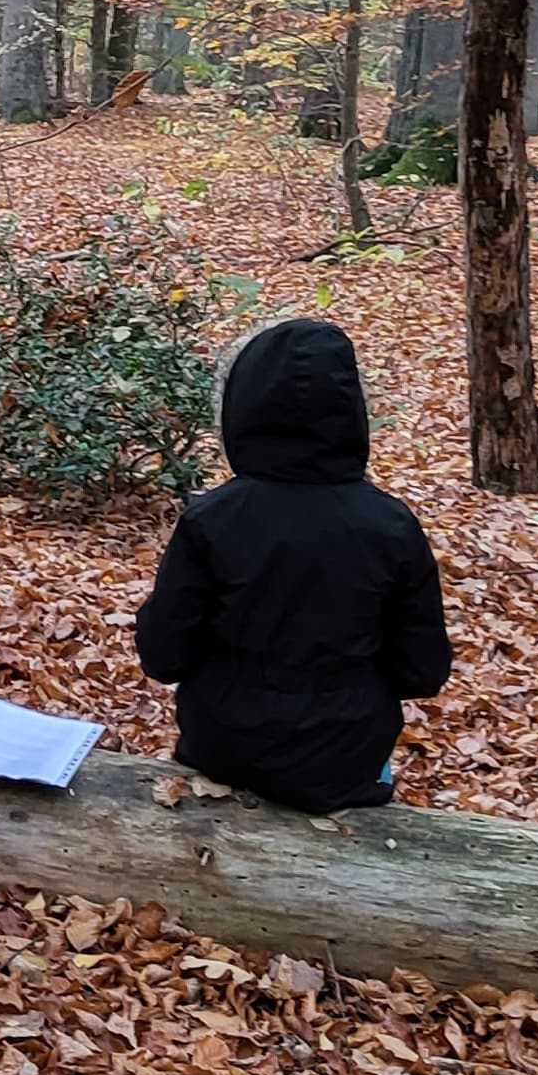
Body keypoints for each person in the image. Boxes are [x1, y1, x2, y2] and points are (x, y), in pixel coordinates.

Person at [131, 317, 450, 812]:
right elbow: (423, 671)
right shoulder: (390, 526)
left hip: (222, 748)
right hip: (346, 762)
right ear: (351, 413)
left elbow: (163, 655)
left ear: (244, 409)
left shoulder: (211, 520)